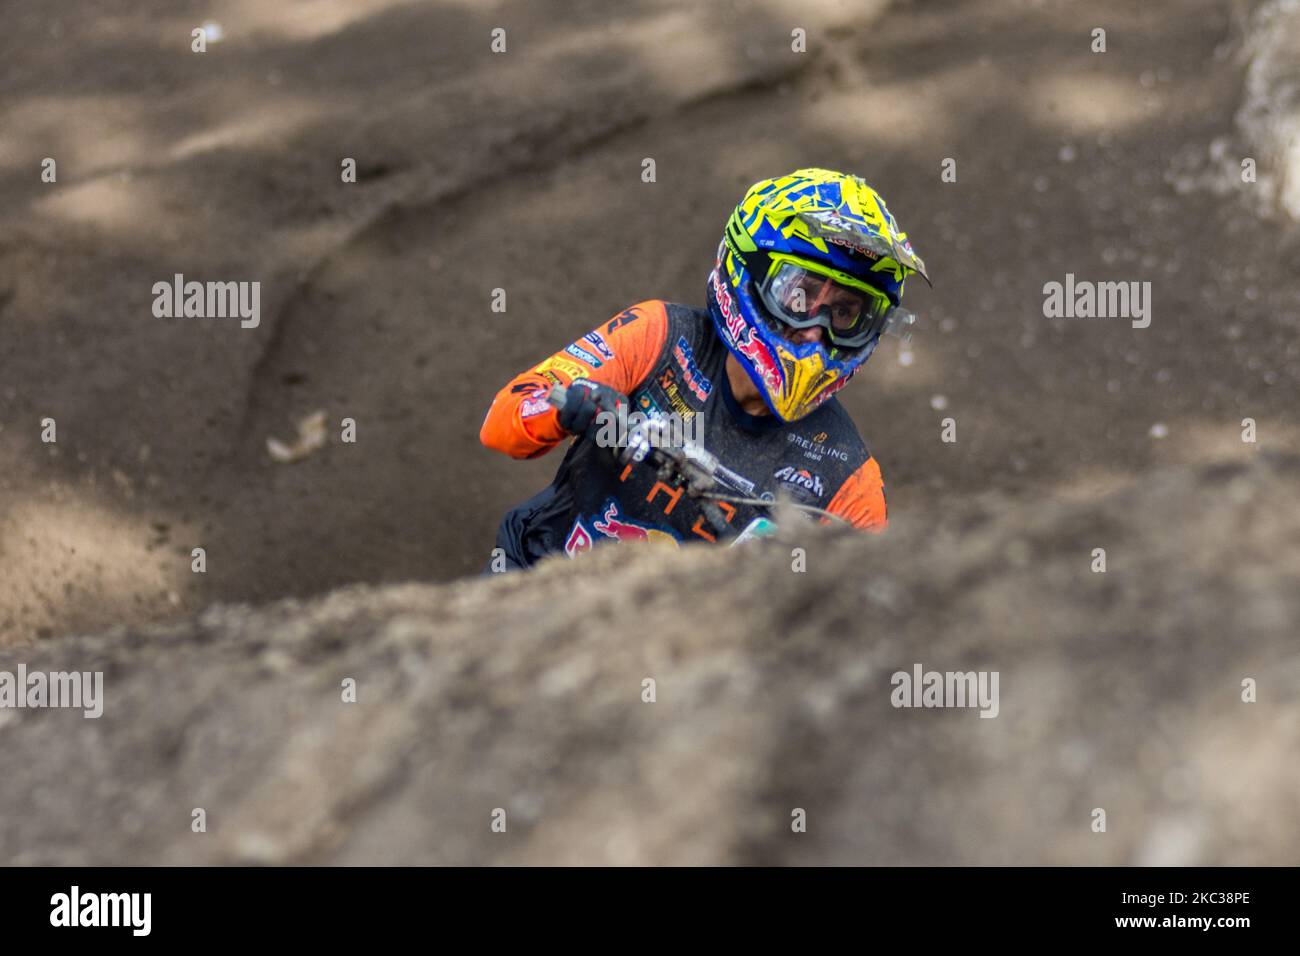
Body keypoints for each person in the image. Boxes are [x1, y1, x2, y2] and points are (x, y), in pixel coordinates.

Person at [479, 167, 929, 570]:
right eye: (799, 297)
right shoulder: (659, 335)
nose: (815, 328)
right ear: (747, 273)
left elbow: (868, 616)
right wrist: (564, 408)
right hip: (535, 583)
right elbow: (501, 424)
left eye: (846, 313)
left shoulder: (847, 477)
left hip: (671, 653)